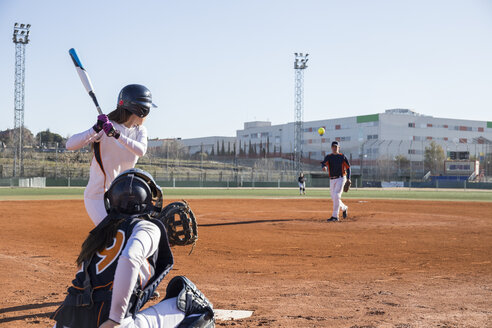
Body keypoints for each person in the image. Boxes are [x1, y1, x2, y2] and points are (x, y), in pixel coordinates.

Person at [51, 169, 215, 328]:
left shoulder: (98, 233)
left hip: (65, 322)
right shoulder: (147, 228)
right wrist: (115, 319)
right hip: (109, 322)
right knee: (195, 302)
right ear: (150, 200)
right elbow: (129, 258)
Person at [66, 84, 156, 225]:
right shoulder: (105, 127)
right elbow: (70, 145)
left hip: (123, 196)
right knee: (111, 236)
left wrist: (116, 134)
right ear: (141, 110)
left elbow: (141, 150)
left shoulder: (140, 131)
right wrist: (95, 128)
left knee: (130, 234)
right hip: (98, 196)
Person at [321, 141, 351, 222]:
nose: (334, 148)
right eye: (333, 146)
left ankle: (335, 216)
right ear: (331, 148)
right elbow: (323, 163)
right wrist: (324, 167)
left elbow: (348, 167)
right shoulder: (329, 157)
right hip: (332, 179)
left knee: (337, 195)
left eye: (336, 147)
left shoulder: (342, 157)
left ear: (339, 148)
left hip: (341, 178)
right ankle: (344, 208)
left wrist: (348, 178)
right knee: (334, 198)